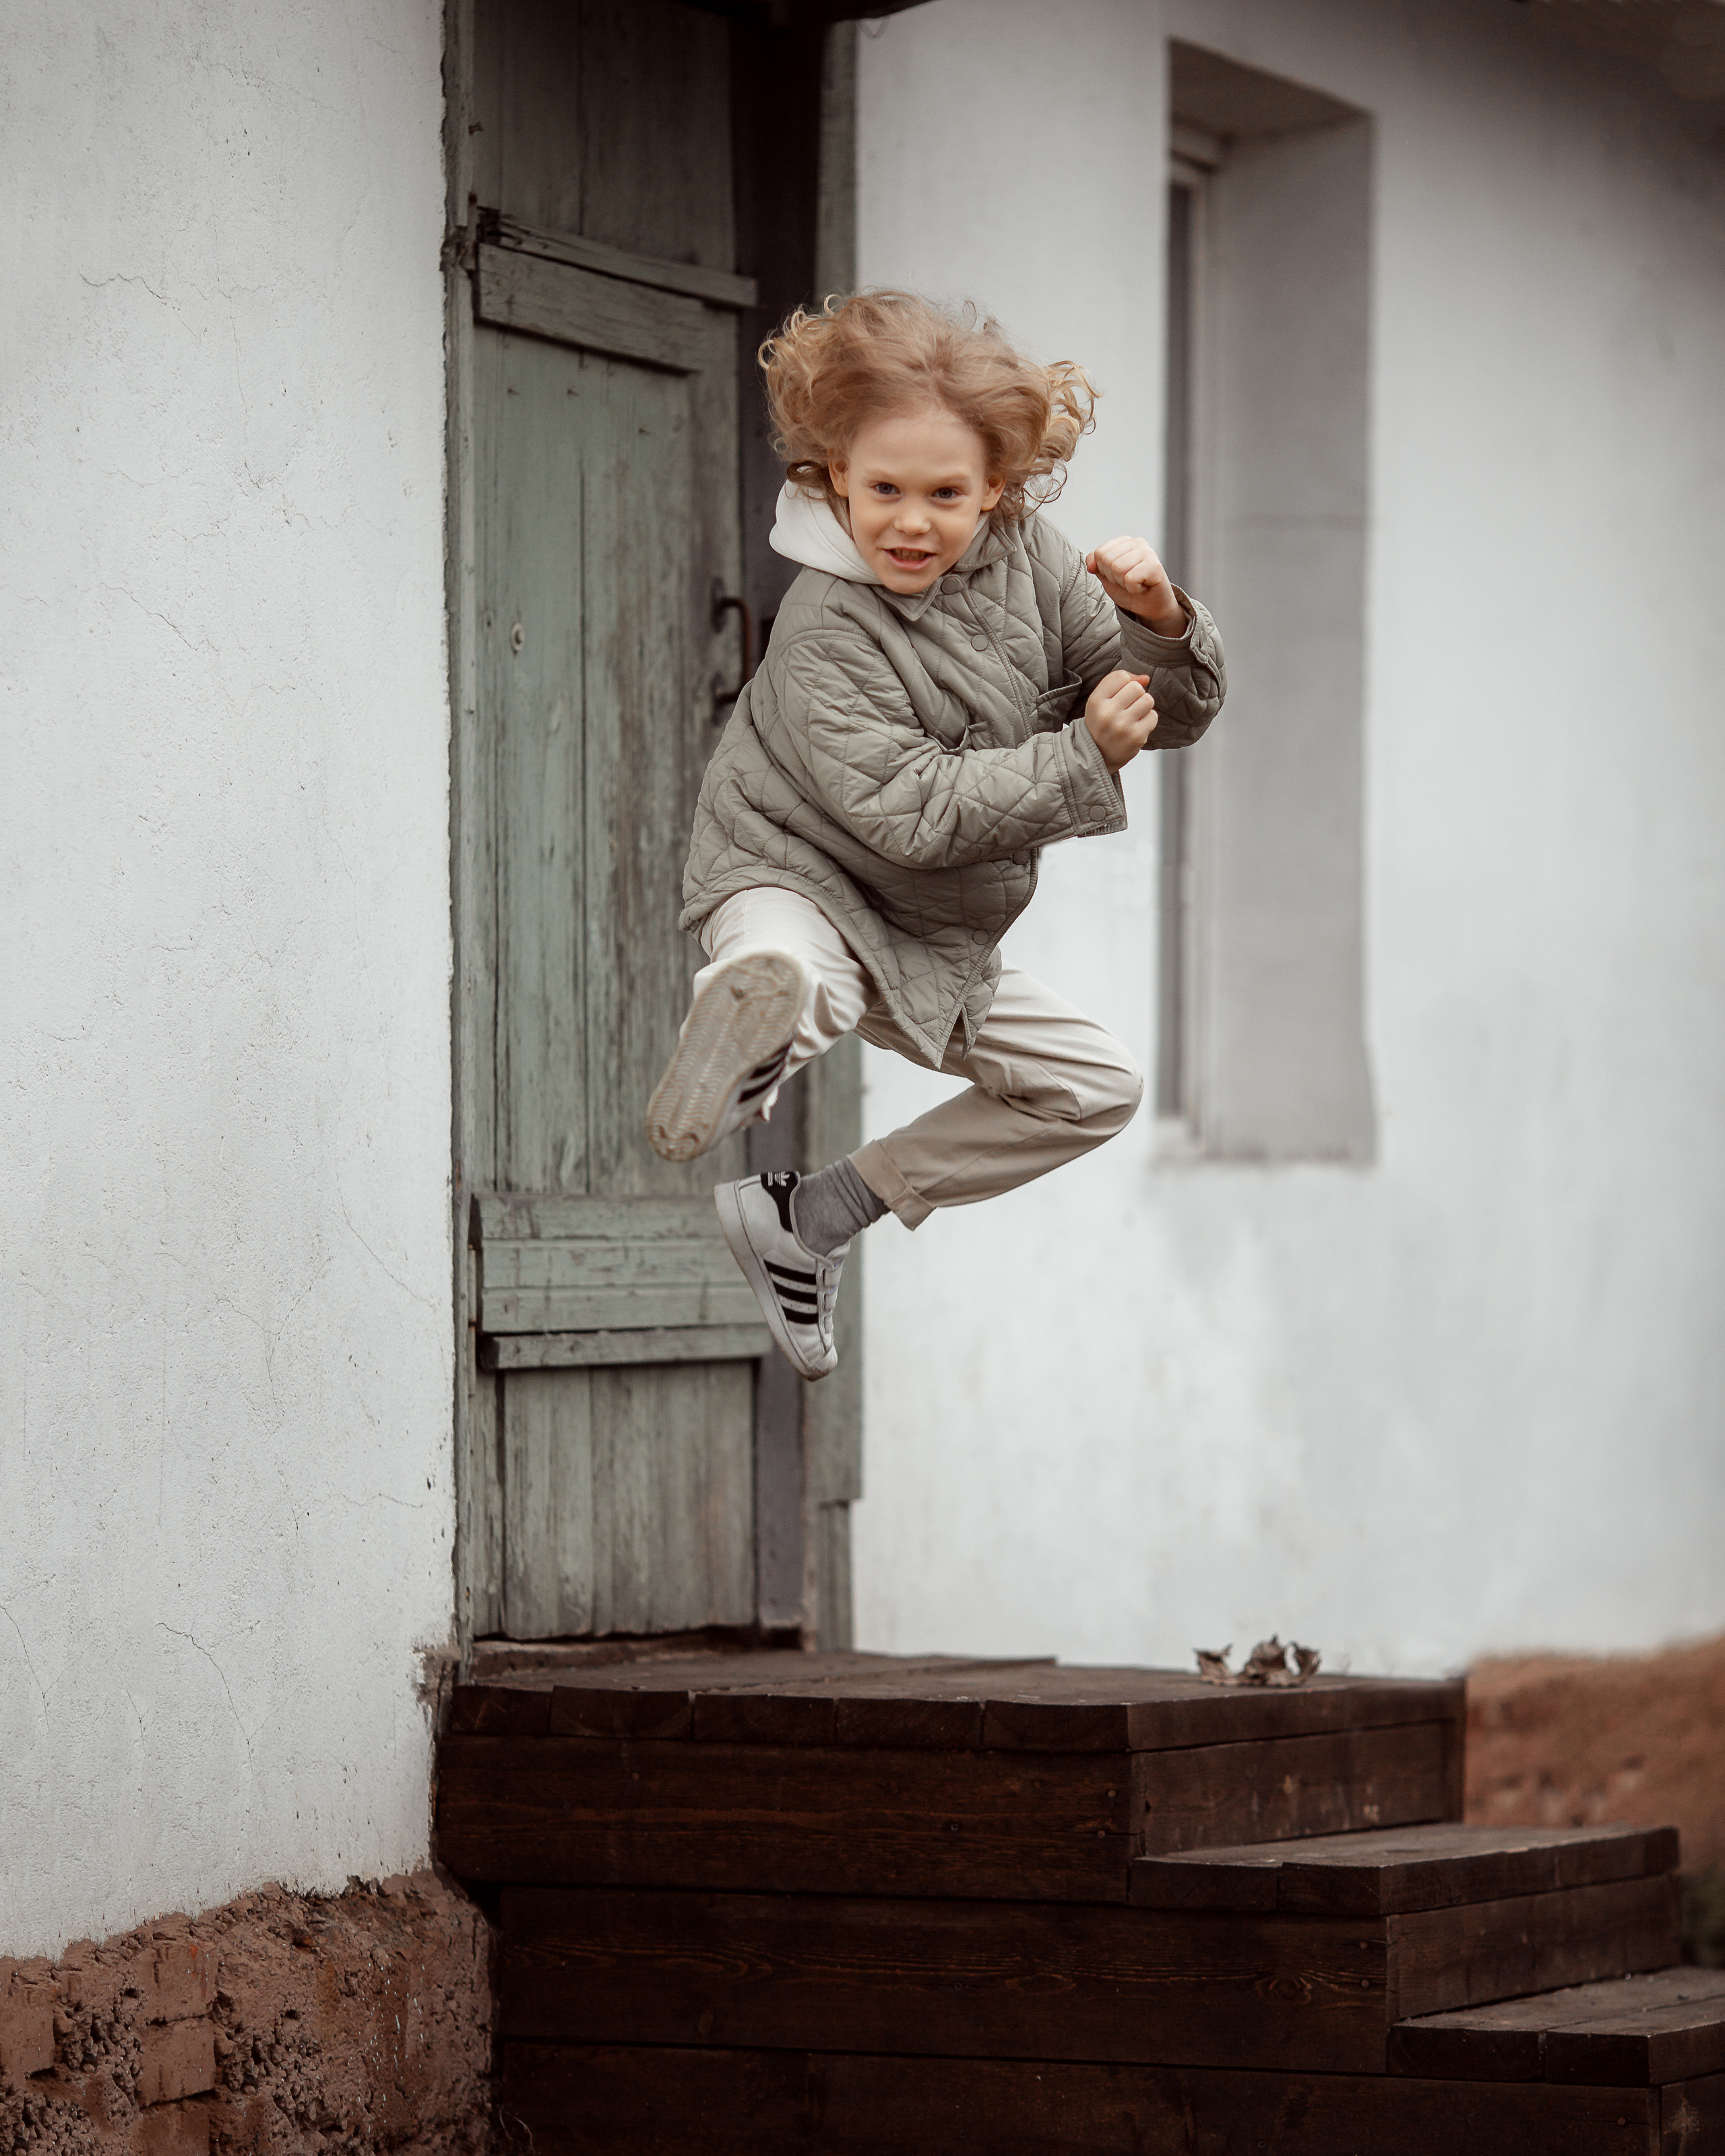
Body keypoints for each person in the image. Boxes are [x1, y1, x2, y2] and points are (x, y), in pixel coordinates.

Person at [646, 290, 1226, 1380]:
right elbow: (910, 809)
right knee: (795, 965)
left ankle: (812, 1217)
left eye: (944, 494)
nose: (910, 523)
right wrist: (1081, 758)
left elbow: (1166, 713)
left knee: (1095, 1088)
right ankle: (744, 1044)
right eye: (884, 491)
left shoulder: (1033, 561)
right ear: (837, 475)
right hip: (792, 866)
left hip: (926, 928)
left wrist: (1157, 620)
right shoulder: (827, 622)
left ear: (994, 487)